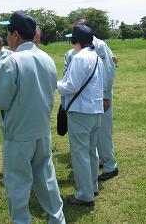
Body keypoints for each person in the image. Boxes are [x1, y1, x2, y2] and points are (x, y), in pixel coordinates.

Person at [0, 11, 65, 223]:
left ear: (17, 35)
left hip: (19, 134)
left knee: (18, 185)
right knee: (46, 179)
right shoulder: (47, 59)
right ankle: (57, 219)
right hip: (41, 130)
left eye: (9, 32)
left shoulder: (11, 62)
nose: (8, 37)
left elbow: (0, 101)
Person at [57, 24, 106, 206]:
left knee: (80, 155)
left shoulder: (79, 58)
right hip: (95, 111)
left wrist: (54, 84)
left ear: (74, 41)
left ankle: (85, 195)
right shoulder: (96, 57)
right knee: (91, 152)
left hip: (80, 112)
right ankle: (92, 187)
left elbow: (70, 86)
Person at [64, 20, 119, 182]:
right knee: (94, 136)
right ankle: (101, 161)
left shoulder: (100, 45)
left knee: (104, 132)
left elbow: (108, 71)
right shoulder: (77, 49)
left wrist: (106, 96)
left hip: (100, 97)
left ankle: (110, 166)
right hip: (87, 100)